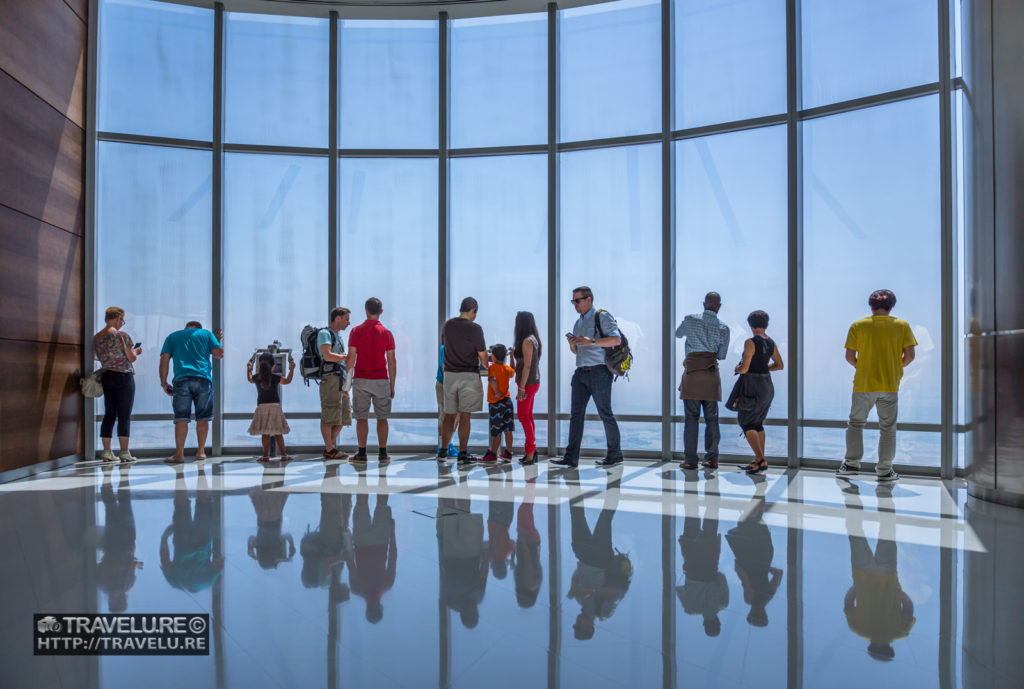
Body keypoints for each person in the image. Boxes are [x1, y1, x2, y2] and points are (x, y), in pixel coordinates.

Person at [836, 289, 917, 482]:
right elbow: (910, 356)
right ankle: (884, 470)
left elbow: (849, 357)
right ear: (891, 307)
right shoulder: (902, 326)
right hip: (889, 385)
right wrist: (895, 367)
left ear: (871, 306)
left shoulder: (858, 325)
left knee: (856, 424)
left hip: (863, 384)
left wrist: (863, 366)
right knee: (888, 428)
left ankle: (851, 464)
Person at [841, 484, 916, 661]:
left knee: (887, 532)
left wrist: (898, 592)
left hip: (888, 574)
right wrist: (857, 587)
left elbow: (909, 608)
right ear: (870, 646)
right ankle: (852, 497)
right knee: (856, 533)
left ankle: (885, 494)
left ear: (889, 648)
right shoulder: (858, 630)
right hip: (862, 573)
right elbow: (848, 602)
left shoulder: (900, 633)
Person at [554, 286, 623, 468]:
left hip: (599, 372)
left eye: (577, 301)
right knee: (576, 415)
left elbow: (616, 340)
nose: (575, 305)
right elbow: (577, 350)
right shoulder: (578, 323)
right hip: (581, 373)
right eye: (573, 301)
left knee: (605, 413)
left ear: (589, 299)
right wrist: (573, 344)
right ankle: (571, 457)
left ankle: (615, 454)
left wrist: (591, 341)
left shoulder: (602, 316)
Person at [566, 470, 632, 639]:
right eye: (579, 627)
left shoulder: (580, 600)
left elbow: (580, 572)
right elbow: (617, 592)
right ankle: (614, 481)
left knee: (576, 512)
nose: (576, 623)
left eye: (575, 626)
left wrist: (574, 584)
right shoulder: (603, 613)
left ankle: (573, 480)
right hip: (600, 558)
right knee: (605, 516)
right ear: (589, 628)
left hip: (582, 553)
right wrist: (590, 590)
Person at [676, 292, 730, 470]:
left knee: (691, 419)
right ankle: (711, 458)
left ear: (703, 304)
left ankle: (690, 460)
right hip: (710, 376)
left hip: (692, 374)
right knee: (712, 419)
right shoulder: (724, 328)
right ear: (719, 306)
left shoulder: (690, 319)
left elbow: (678, 334)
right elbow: (721, 355)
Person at [159, 321, 223, 463]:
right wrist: (215, 341)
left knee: (181, 418)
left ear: (186, 328)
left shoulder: (173, 336)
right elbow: (219, 354)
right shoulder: (206, 334)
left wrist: (164, 383)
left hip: (181, 381)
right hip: (203, 380)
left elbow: (164, 360)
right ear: (199, 329)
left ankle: (179, 454)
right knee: (203, 417)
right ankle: (201, 452)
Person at [731, 310, 784, 474]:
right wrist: (763, 368)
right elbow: (779, 365)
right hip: (767, 385)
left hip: (752, 386)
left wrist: (738, 368)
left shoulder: (750, 342)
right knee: (758, 423)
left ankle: (761, 460)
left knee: (746, 422)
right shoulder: (771, 343)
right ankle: (758, 459)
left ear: (750, 325)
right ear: (766, 324)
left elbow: (745, 368)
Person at [346, 298, 397, 464]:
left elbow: (351, 358)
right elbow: (391, 361)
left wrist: (347, 384)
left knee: (362, 418)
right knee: (382, 418)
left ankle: (362, 453)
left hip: (361, 379)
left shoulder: (355, 331)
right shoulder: (387, 333)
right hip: (381, 379)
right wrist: (392, 385)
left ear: (366, 310)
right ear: (381, 312)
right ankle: (383, 453)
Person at [726, 482, 783, 627]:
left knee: (756, 516)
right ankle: (760, 488)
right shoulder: (750, 600)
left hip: (764, 554)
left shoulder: (769, 595)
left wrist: (765, 567)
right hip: (749, 556)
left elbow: (778, 573)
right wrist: (738, 567)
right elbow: (745, 581)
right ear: (752, 613)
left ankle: (761, 489)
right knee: (746, 519)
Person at [440, 297, 488, 466]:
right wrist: (487, 365)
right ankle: (462, 453)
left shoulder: (448, 325)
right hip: (468, 375)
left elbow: (444, 347)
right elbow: (482, 356)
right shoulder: (475, 329)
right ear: (473, 310)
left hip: (450, 375)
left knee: (449, 415)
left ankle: (443, 451)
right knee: (465, 415)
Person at [676, 484, 728, 637]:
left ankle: (712, 487)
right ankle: (691, 488)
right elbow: (679, 589)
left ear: (718, 621)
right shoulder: (690, 608)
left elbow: (721, 578)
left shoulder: (723, 603)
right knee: (691, 515)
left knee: (711, 515)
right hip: (691, 561)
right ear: (704, 623)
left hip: (710, 560)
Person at [94, 306, 142, 463]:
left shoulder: (97, 337)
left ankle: (107, 452)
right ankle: (124, 452)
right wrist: (137, 351)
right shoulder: (121, 335)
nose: (123, 323)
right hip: (123, 376)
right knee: (124, 415)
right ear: (117, 318)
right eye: (122, 320)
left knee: (109, 414)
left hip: (107, 376)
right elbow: (131, 358)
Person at [349, 469, 397, 624]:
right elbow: (350, 561)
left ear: (380, 608)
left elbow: (393, 557)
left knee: (382, 504)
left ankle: (382, 474)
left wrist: (392, 533)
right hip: (361, 542)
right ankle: (362, 474)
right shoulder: (356, 588)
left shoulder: (387, 584)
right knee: (362, 503)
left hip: (381, 540)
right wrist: (348, 539)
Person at [96, 464, 142, 612]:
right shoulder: (104, 585)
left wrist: (136, 563)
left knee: (124, 504)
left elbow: (130, 564)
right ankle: (107, 477)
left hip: (126, 543)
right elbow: (98, 566)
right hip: (111, 544)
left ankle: (122, 475)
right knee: (110, 508)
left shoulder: (126, 586)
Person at [246, 352, 295, 461]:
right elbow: (287, 381)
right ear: (273, 366)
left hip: (261, 407)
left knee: (265, 433)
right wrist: (292, 369)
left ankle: (265, 456)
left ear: (259, 366)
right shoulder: (276, 377)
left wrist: (249, 368)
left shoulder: (257, 377)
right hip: (275, 407)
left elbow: (249, 379)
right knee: (278, 433)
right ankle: (284, 455)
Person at [247, 463, 295, 569]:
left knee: (278, 489)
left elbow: (287, 536)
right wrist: (251, 552)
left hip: (275, 516)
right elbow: (250, 537)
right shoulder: (258, 544)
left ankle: (282, 466)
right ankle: (267, 467)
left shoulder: (277, 545)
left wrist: (291, 545)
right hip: (262, 515)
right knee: (265, 489)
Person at [318, 307, 351, 460]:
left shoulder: (338, 336)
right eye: (346, 319)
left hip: (340, 380)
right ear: (338, 318)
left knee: (344, 414)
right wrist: (346, 357)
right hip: (330, 379)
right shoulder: (325, 334)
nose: (348, 322)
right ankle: (330, 449)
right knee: (329, 413)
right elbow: (327, 355)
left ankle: (329, 447)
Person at [510, 311, 542, 465]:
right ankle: (531, 450)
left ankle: (530, 451)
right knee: (528, 416)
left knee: (523, 416)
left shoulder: (527, 341)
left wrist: (521, 388)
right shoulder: (534, 339)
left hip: (527, 384)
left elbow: (527, 366)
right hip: (532, 382)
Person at [482, 344, 515, 464]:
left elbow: (493, 380)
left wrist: (497, 392)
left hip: (496, 403)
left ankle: (492, 454)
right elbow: (513, 371)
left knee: (497, 430)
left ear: (493, 357)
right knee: (508, 429)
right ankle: (508, 453)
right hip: (507, 402)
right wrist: (512, 357)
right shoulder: (507, 368)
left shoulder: (492, 368)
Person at [435, 345, 459, 458]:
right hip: (445, 383)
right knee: (445, 415)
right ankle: (442, 446)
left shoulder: (452, 345)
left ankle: (447, 444)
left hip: (454, 384)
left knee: (455, 415)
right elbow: (444, 367)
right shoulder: (446, 347)